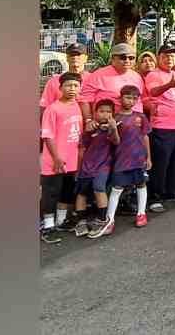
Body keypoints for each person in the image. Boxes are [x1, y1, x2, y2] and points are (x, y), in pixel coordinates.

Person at [87, 85, 152, 239]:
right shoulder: (113, 118)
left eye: (135, 98)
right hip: (121, 160)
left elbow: (145, 136)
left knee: (141, 184)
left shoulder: (141, 117)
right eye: (128, 97)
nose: (131, 101)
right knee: (117, 188)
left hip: (139, 159)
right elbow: (106, 137)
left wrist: (148, 157)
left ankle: (141, 213)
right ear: (120, 98)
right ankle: (109, 220)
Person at [39, 72, 84, 243]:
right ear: (60, 88)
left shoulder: (77, 106)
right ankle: (48, 226)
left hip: (72, 160)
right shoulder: (53, 109)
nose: (72, 89)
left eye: (75, 86)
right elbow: (47, 136)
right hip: (54, 161)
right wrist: (57, 157)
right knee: (51, 192)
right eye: (68, 85)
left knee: (66, 191)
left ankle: (61, 221)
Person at [146, 44, 175, 211]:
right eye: (166, 55)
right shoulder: (153, 74)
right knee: (160, 163)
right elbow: (153, 92)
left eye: (172, 55)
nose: (169, 58)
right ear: (159, 57)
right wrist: (169, 85)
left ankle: (171, 191)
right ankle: (155, 197)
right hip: (163, 127)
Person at [70, 98, 118, 237]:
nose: (105, 114)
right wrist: (78, 168)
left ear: (112, 114)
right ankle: (81, 221)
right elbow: (82, 147)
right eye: (101, 111)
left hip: (103, 166)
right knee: (82, 193)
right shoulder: (90, 127)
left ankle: (102, 220)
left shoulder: (114, 127)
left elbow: (116, 141)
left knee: (99, 188)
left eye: (108, 112)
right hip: (86, 166)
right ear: (95, 112)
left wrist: (113, 128)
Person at [79, 42, 145, 126]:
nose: (127, 61)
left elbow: (139, 100)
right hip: (105, 124)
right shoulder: (99, 75)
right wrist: (88, 120)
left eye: (131, 58)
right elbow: (84, 99)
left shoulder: (137, 77)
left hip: (133, 124)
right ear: (113, 59)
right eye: (123, 57)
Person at [39, 43, 91, 114]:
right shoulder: (54, 81)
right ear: (67, 58)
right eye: (72, 55)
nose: (74, 57)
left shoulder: (94, 79)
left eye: (78, 55)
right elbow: (44, 107)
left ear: (85, 58)